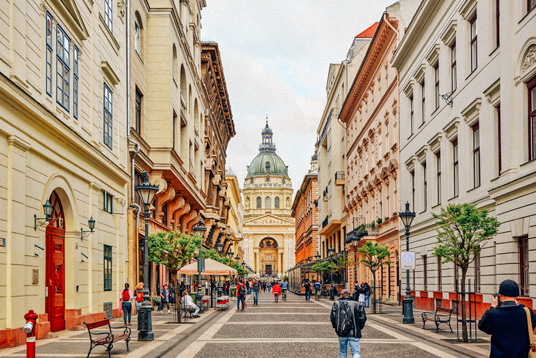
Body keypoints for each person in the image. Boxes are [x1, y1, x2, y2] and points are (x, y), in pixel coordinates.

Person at [479, 279, 536, 358]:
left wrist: (492, 307)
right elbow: (531, 327)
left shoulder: (493, 313)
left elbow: (482, 326)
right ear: (517, 296)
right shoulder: (527, 312)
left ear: (500, 295)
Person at [331, 289, 367, 358]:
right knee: (356, 352)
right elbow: (363, 318)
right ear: (350, 295)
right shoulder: (357, 304)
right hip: (355, 331)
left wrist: (337, 328)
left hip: (341, 331)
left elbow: (333, 318)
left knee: (343, 352)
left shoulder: (337, 304)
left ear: (341, 295)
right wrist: (359, 327)